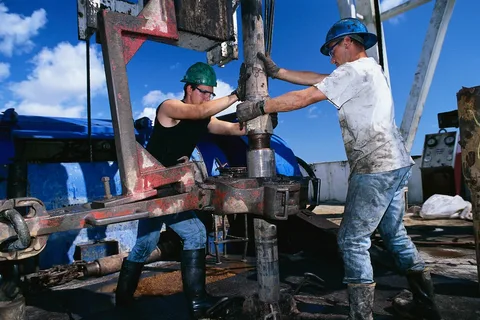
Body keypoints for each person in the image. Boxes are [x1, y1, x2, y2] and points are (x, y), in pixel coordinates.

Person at [236, 18, 442, 320]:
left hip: (375, 166)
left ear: (348, 42)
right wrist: (279, 72)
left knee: (352, 240)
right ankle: (425, 304)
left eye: (332, 49)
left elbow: (307, 96)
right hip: (396, 163)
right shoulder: (371, 70)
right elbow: (318, 79)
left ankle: (362, 316)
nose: (331, 58)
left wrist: (260, 107)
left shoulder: (353, 71)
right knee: (395, 235)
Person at [116, 62, 245, 319]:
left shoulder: (202, 117)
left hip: (169, 190)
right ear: (189, 88)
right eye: (204, 92)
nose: (207, 97)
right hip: (152, 188)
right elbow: (201, 113)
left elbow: (232, 129)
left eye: (211, 94)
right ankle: (197, 304)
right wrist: (235, 95)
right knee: (195, 233)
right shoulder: (169, 108)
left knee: (144, 245)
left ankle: (122, 300)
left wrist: (259, 117)